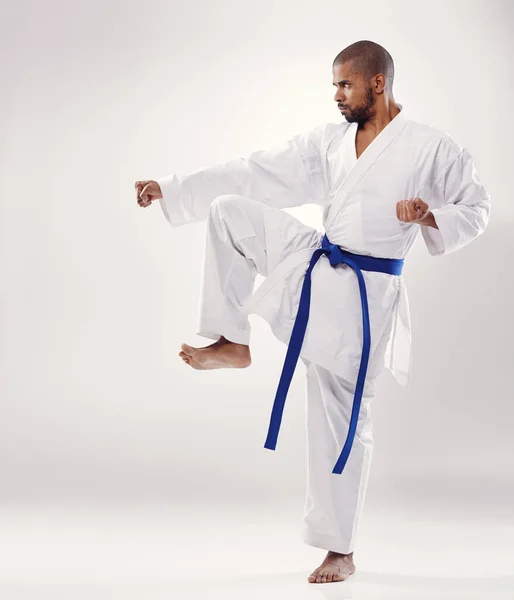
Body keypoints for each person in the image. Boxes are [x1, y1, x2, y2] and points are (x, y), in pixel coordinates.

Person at [135, 40, 491, 584]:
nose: (336, 96)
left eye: (344, 85)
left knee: (341, 416)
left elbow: (477, 208)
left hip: (367, 299)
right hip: (317, 264)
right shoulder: (331, 142)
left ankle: (339, 549)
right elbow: (257, 170)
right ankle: (232, 339)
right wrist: (175, 189)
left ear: (378, 83)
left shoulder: (431, 149)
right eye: (334, 86)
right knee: (231, 212)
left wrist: (430, 216)